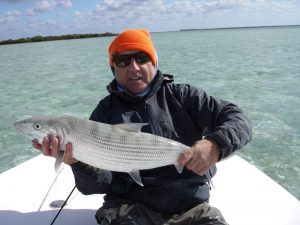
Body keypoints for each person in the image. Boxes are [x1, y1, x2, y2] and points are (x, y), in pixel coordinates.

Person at [32, 28, 252, 225]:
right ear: (113, 68)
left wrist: (215, 144)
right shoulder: (104, 112)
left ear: (154, 62)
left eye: (141, 57)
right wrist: (76, 162)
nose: (133, 67)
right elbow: (98, 185)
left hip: (191, 207)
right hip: (128, 208)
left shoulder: (183, 96)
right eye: (123, 61)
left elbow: (238, 119)